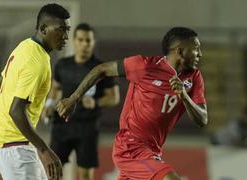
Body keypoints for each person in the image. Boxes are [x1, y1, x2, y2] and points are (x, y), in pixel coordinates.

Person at [56, 27, 208, 180]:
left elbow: (202, 120)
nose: (200, 54)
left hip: (153, 150)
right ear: (180, 51)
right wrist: (73, 98)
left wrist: (184, 96)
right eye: (196, 49)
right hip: (130, 146)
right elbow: (101, 69)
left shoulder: (194, 77)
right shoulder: (146, 66)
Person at [0, 3, 70, 180]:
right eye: (61, 29)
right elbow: (16, 111)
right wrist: (45, 150)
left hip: (0, 139)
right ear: (44, 28)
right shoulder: (36, 62)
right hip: (13, 145)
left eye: (67, 29)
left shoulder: (25, 46)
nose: (66, 36)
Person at [42, 23, 120, 180]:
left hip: (87, 127)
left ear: (93, 42)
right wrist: (49, 105)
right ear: (74, 41)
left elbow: (114, 98)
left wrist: (96, 102)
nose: (84, 44)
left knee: (85, 175)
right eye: (81, 40)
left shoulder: (101, 68)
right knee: (53, 172)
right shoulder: (62, 65)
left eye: (88, 40)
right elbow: (55, 88)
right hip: (62, 125)